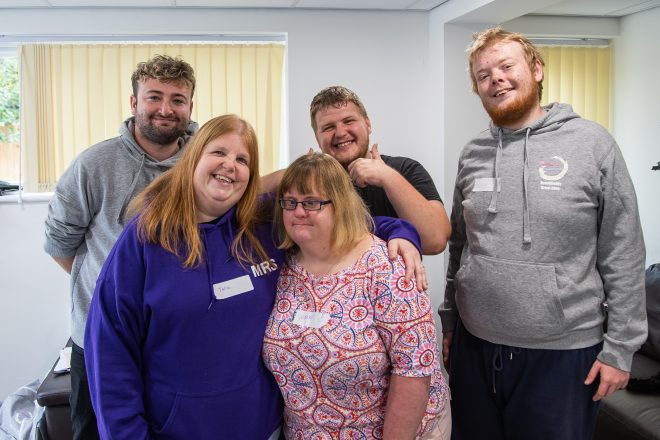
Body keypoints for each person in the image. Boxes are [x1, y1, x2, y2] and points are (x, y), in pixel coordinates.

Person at [84, 116, 424, 439]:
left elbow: (333, 224)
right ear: (192, 160)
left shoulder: (260, 225)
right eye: (218, 152)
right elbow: (110, 357)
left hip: (266, 430)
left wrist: (400, 231)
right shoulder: (145, 238)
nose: (229, 165)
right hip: (175, 431)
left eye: (242, 159)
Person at [438, 27, 647, 440]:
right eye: (483, 75)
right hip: (475, 346)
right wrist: (450, 321)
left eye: (505, 66)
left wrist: (620, 349)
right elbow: (461, 246)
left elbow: (623, 251)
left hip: (564, 354)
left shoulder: (592, 144)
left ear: (536, 69)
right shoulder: (474, 152)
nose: (494, 78)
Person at [43, 54, 197, 439]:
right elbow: (61, 244)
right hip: (99, 337)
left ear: (190, 106)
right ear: (134, 103)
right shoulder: (94, 165)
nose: (165, 109)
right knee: (95, 432)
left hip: (172, 337)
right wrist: (111, 292)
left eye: (177, 99)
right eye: (154, 97)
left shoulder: (204, 161)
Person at [263, 152, 451, 439]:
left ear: (340, 205)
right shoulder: (283, 265)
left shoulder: (387, 266)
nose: (298, 211)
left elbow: (414, 369)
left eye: (312, 202)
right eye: (290, 202)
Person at [263, 85, 450, 257]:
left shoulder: (405, 170)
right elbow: (243, 194)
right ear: (317, 138)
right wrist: (296, 173)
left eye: (348, 121)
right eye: (328, 127)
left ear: (368, 124)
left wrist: (387, 177)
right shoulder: (310, 185)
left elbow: (435, 241)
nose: (341, 132)